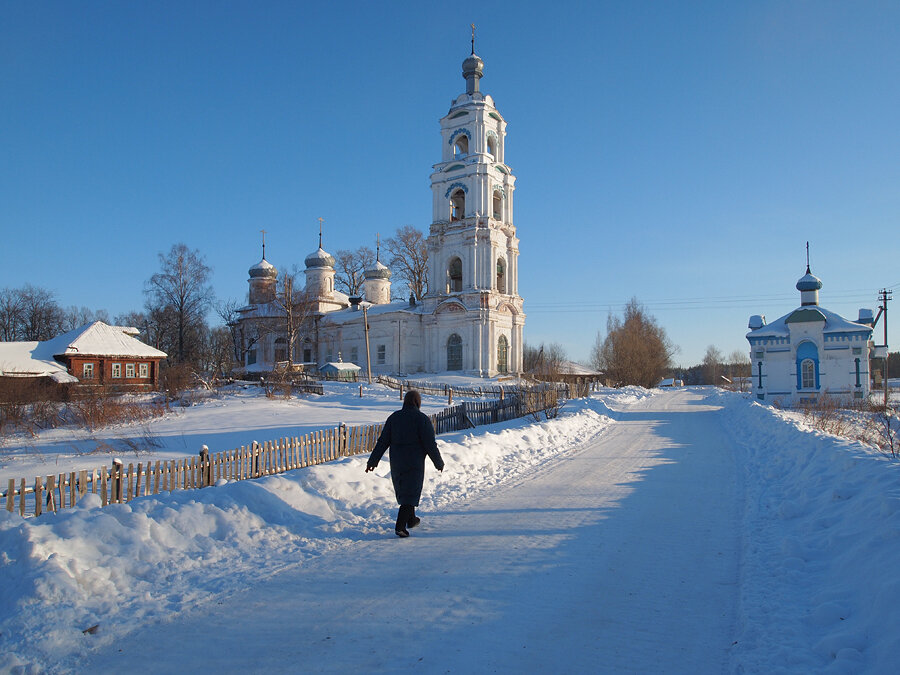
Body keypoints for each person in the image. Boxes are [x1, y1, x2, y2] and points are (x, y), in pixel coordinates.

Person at [366, 389, 444, 537]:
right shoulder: (421, 419)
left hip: (397, 461)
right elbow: (429, 444)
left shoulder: (394, 418)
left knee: (405, 489)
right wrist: (438, 462)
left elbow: (383, 441)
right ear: (417, 402)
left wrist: (373, 461)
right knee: (411, 491)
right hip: (414, 461)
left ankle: (411, 519)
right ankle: (400, 526)